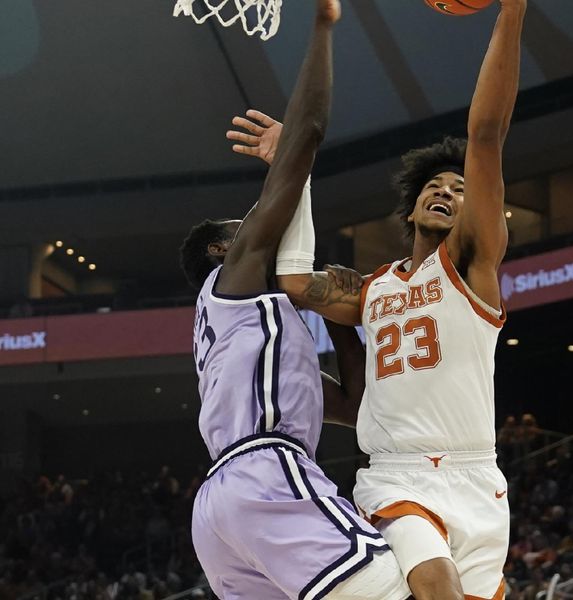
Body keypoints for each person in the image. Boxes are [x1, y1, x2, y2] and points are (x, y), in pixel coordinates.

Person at [231, 2, 527, 597]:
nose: (445, 190)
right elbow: (293, 281)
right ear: (413, 207)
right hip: (398, 475)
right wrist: (295, 168)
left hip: (477, 475)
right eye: (434, 186)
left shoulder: (471, 267)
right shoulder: (373, 289)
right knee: (434, 586)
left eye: (459, 189)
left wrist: (511, 10)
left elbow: (486, 134)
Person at [178, 2, 410, 598]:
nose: (261, 224)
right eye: (247, 225)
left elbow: (356, 408)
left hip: (222, 507)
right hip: (265, 473)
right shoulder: (234, 278)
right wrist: (323, 27)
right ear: (219, 252)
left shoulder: (250, 334)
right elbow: (305, 135)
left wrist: (351, 319)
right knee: (397, 586)